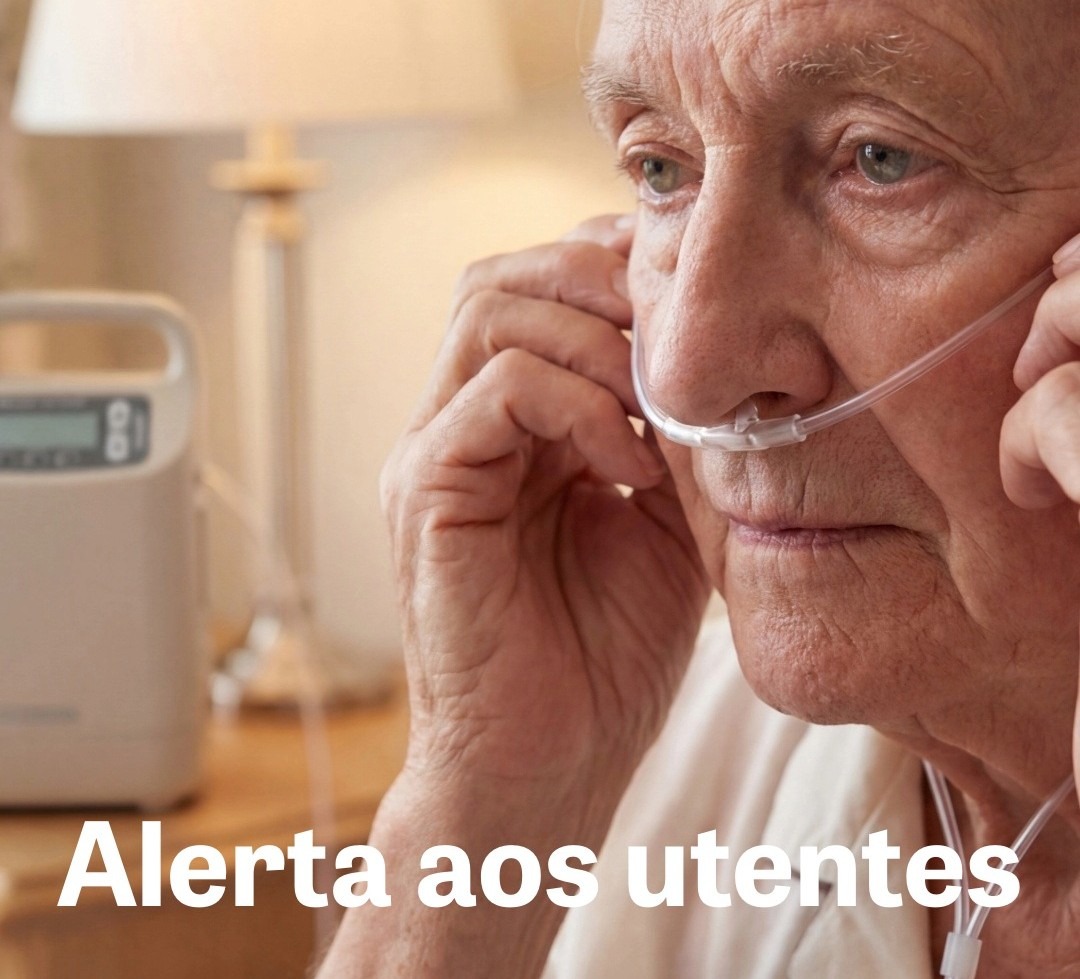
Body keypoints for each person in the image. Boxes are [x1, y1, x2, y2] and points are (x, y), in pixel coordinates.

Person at [318, 0, 1080, 975]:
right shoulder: (665, 766)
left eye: (881, 159)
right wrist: (478, 803)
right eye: (660, 169)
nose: (683, 369)